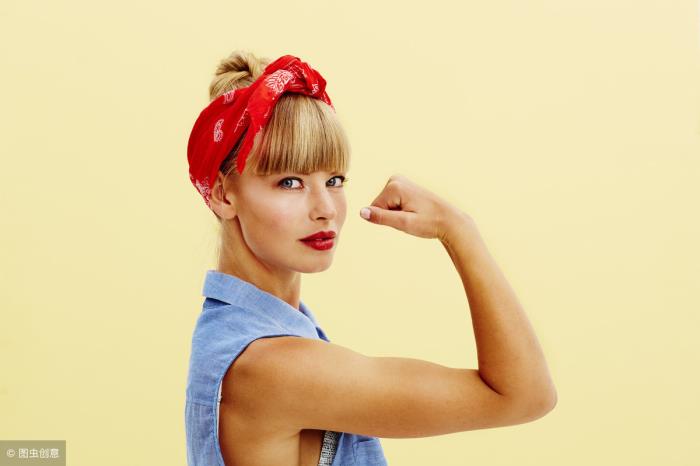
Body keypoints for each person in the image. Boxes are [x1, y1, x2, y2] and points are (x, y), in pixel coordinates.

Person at [185, 50, 557, 466]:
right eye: (289, 182)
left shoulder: (236, 336)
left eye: (334, 179)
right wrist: (459, 230)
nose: (325, 208)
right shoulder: (273, 367)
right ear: (222, 194)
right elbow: (524, 395)